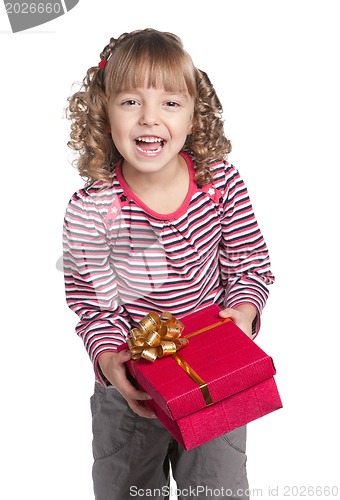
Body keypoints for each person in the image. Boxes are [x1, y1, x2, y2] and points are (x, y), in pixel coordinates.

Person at [63, 28, 275, 500]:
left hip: (214, 372)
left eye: (170, 104)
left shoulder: (218, 184)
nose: (150, 118)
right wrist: (111, 359)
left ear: (193, 114)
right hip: (132, 388)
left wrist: (242, 312)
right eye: (131, 102)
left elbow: (249, 267)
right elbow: (92, 304)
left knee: (217, 491)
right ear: (104, 111)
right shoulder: (91, 209)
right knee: (128, 491)